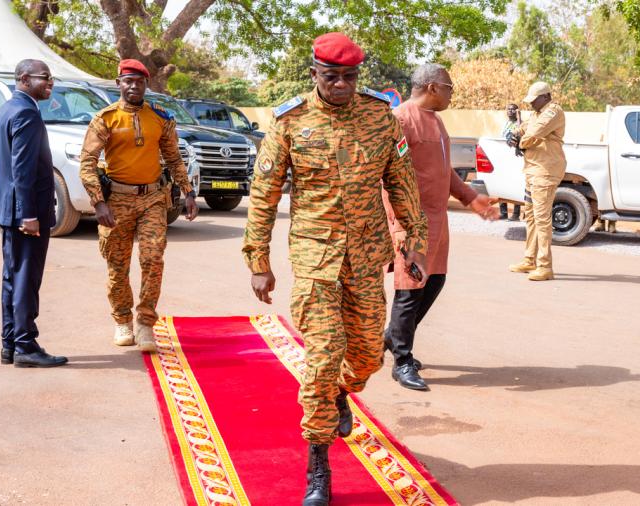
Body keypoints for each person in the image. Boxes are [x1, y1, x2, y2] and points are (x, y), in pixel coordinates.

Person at [241, 33, 428, 506]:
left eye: (349, 76)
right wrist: (258, 260)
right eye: (331, 76)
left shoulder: (379, 117)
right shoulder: (290, 122)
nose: (342, 84)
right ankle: (318, 466)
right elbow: (263, 195)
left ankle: (341, 391)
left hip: (366, 256)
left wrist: (414, 244)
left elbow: (402, 182)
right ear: (314, 74)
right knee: (323, 357)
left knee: (366, 357)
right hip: (315, 258)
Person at [383, 64, 498, 391]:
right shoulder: (400, 120)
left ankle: (392, 337)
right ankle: (402, 361)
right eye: (449, 87)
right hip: (411, 223)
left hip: (436, 222)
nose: (452, 94)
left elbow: (444, 172)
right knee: (410, 290)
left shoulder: (436, 121)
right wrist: (399, 223)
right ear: (432, 87)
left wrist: (472, 199)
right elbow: (386, 176)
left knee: (434, 281)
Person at [79, 59, 197, 352]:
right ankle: (122, 320)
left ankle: (145, 322)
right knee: (117, 266)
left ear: (146, 84)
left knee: (153, 259)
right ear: (118, 83)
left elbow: (173, 158)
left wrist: (188, 192)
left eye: (140, 82)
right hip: (116, 201)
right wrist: (99, 202)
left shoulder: (160, 117)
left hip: (152, 199)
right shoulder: (105, 119)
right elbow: (87, 163)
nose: (134, 87)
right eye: (128, 81)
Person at [0, 59, 67, 368]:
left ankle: (9, 344)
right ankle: (25, 345)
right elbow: (21, 169)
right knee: (26, 279)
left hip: (11, 209)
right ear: (24, 79)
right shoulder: (25, 112)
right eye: (44, 77)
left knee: (12, 277)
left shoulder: (8, 108)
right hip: (25, 213)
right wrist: (28, 215)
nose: (50, 83)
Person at [507, 82, 566, 281]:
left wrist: (520, 143)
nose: (531, 104)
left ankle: (545, 266)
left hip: (545, 171)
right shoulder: (537, 113)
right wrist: (514, 135)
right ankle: (529, 259)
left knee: (542, 219)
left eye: (534, 100)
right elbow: (524, 128)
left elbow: (535, 133)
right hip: (532, 170)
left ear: (546, 97)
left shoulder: (553, 112)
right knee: (530, 216)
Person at [500, 103, 522, 221]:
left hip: (515, 158)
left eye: (513, 109)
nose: (510, 111)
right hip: (504, 158)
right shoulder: (505, 123)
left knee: (514, 184)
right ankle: (503, 213)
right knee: (502, 183)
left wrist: (519, 117)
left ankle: (516, 214)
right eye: (508, 109)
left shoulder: (520, 124)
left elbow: (520, 132)